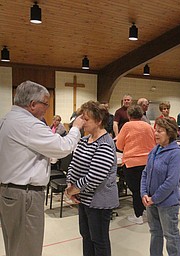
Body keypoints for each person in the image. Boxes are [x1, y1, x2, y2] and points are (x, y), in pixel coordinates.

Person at [0, 80, 84, 256]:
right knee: (27, 248)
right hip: (25, 195)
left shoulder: (7, 119)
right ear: (32, 104)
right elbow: (63, 147)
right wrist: (75, 128)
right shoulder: (29, 124)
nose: (46, 108)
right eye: (45, 104)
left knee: (14, 245)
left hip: (10, 192)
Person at [65, 100, 119, 256]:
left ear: (99, 121)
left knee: (99, 240)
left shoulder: (105, 144)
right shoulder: (84, 141)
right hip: (84, 199)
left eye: (86, 119)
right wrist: (70, 184)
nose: (82, 122)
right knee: (86, 237)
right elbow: (73, 165)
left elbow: (95, 176)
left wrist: (73, 190)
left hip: (99, 201)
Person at [141, 117, 180, 256]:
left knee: (170, 235)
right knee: (155, 233)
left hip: (167, 203)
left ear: (169, 133)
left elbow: (171, 182)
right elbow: (145, 173)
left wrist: (155, 198)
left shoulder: (176, 153)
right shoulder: (155, 150)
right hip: (150, 201)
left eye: (160, 131)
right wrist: (144, 194)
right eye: (155, 131)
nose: (156, 134)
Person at [116, 105, 155, 224]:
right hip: (148, 162)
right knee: (145, 189)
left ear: (129, 115)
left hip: (132, 163)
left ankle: (138, 215)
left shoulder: (127, 126)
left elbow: (119, 145)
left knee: (136, 190)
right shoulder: (148, 126)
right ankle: (145, 211)